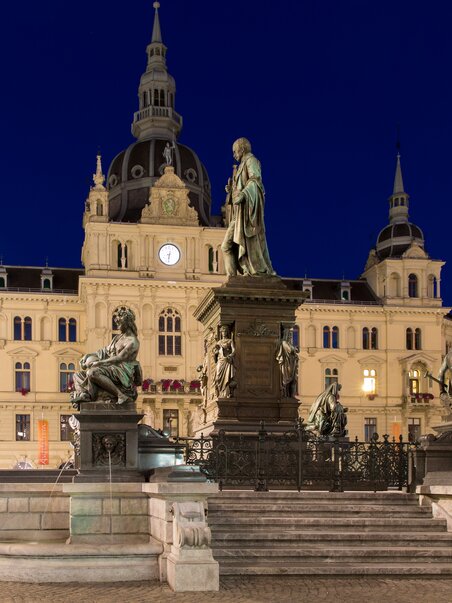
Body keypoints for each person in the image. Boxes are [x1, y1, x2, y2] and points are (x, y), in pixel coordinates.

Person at [221, 138, 275, 276]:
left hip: (246, 215)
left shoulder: (252, 161)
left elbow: (255, 181)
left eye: (235, 151)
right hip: (239, 215)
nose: (234, 155)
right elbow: (242, 187)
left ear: (242, 149)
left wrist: (244, 194)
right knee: (226, 246)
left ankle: (236, 277)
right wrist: (231, 190)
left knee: (227, 246)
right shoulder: (241, 165)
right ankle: (233, 279)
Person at [71, 306, 142, 409]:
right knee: (77, 375)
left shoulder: (133, 341)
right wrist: (88, 356)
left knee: (93, 372)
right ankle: (85, 395)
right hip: (110, 367)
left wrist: (99, 363)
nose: (117, 326)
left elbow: (119, 358)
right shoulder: (118, 338)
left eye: (119, 323)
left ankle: (121, 395)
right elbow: (104, 352)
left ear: (127, 322)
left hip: (121, 370)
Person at [213, 325, 236, 398]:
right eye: (223, 331)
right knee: (217, 377)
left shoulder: (230, 340)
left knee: (228, 377)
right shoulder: (219, 342)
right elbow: (215, 352)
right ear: (221, 332)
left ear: (227, 332)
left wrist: (230, 356)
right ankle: (220, 391)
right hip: (220, 360)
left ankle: (226, 392)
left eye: (225, 331)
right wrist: (215, 353)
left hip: (227, 360)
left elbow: (234, 350)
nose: (224, 333)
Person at [276, 328, 298, 398]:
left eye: (291, 335)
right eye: (289, 335)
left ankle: (291, 395)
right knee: (286, 379)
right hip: (287, 364)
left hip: (291, 363)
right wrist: (295, 349)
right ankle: (285, 395)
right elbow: (290, 350)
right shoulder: (284, 342)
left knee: (293, 380)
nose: (290, 337)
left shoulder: (287, 343)